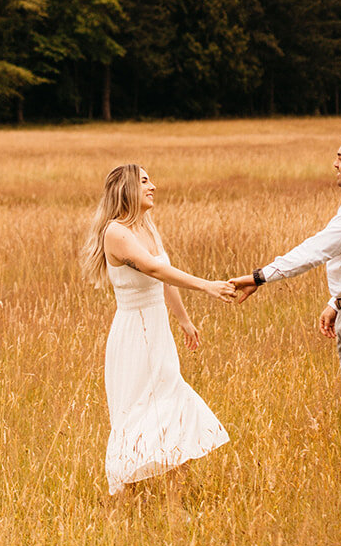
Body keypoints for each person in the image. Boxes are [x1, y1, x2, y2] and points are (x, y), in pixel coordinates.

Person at [231, 131, 341, 482]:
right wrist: (336, 302)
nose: (334, 163)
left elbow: (318, 249)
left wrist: (260, 276)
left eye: (340, 157)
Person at [83, 163, 234, 495]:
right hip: (134, 334)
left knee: (172, 405)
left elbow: (162, 278)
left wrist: (184, 321)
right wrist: (207, 286)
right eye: (145, 181)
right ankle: (134, 496)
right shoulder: (116, 232)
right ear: (127, 189)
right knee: (139, 411)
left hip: (158, 330)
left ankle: (170, 501)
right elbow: (153, 267)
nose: (153, 186)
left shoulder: (147, 228)